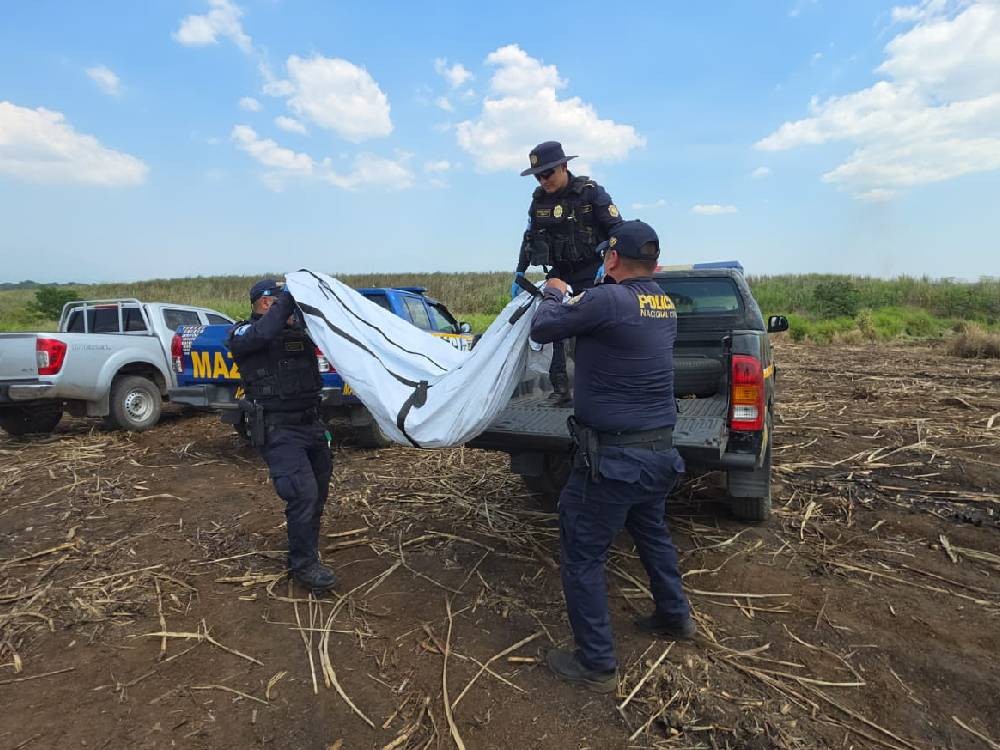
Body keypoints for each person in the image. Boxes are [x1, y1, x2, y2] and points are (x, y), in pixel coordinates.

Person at [529, 220, 696, 693]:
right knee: (652, 534)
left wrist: (555, 291)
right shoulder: (663, 304)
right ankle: (675, 617)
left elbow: (544, 328)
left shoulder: (607, 299)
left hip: (614, 460)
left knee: (582, 552)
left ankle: (597, 662)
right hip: (659, 453)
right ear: (655, 263)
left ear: (613, 258)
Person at [227, 279, 337, 592]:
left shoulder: (299, 332)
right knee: (301, 492)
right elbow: (263, 333)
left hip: (312, 425)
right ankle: (304, 567)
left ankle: (306, 550)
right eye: (281, 302)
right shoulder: (242, 334)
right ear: (265, 303)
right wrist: (290, 296)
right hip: (280, 430)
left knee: (317, 492)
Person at [513, 140, 624, 404]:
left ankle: (597, 385)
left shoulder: (590, 193)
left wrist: (607, 261)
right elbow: (529, 238)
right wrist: (519, 273)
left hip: (592, 271)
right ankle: (560, 388)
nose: (543, 180)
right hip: (560, 271)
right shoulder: (538, 201)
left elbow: (618, 231)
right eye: (538, 176)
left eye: (548, 173)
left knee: (590, 331)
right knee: (554, 327)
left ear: (563, 166)